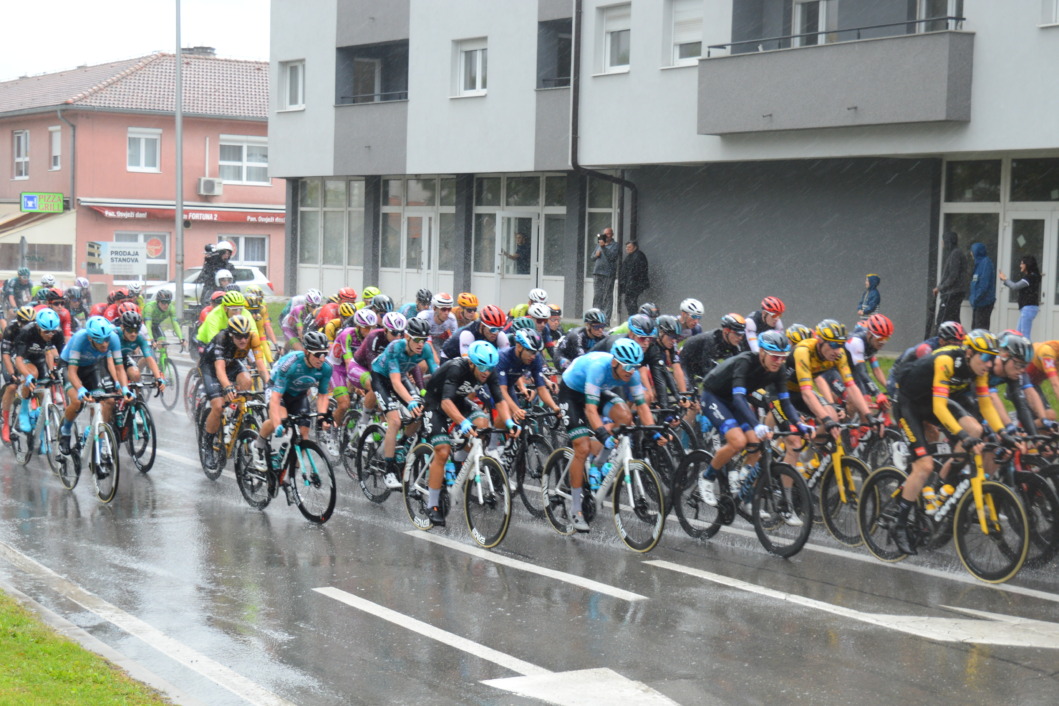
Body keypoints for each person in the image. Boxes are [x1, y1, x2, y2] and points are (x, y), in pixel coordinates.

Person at [889, 330, 1003, 554]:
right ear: (969, 352)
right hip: (909, 404)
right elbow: (940, 408)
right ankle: (899, 524)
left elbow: (986, 404)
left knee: (976, 429)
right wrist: (963, 437)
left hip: (932, 401)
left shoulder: (979, 368)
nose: (990, 364)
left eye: (994, 358)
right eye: (987, 357)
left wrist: (1004, 433)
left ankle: (942, 483)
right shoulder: (945, 360)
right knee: (924, 466)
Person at [557, 339, 661, 533]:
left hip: (596, 390)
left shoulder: (632, 374)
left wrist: (654, 432)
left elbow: (642, 406)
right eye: (627, 366)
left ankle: (598, 463)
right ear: (615, 362)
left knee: (625, 417)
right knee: (582, 447)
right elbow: (590, 410)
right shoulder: (598, 367)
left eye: (635, 366)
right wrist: (603, 433)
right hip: (571, 392)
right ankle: (575, 508)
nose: (630, 370)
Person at [253, 331, 333, 482]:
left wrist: (322, 417)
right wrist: (277, 424)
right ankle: (259, 444)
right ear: (306, 352)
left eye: (324, 354)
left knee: (304, 433)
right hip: (278, 391)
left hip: (299, 393)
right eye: (317, 354)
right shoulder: (291, 365)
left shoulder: (326, 368)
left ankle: (292, 477)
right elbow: (276, 399)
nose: (321, 358)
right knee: (282, 421)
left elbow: (323, 394)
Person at [371, 316, 438, 489]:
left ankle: (403, 443)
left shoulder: (426, 349)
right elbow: (394, 383)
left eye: (423, 340)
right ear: (407, 337)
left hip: (400, 377)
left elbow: (437, 375)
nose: (420, 344)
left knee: (420, 412)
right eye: (417, 340)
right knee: (395, 421)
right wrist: (410, 401)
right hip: (381, 377)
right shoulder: (395, 347)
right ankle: (388, 470)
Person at [58, 316, 130, 454]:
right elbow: (72, 372)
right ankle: (65, 431)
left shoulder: (113, 338)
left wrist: (125, 388)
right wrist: (80, 389)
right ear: (90, 338)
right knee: (77, 401)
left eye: (106, 340)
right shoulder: (80, 338)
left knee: (106, 401)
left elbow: (120, 368)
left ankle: (99, 441)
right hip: (69, 366)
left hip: (92, 366)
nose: (104, 344)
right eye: (99, 340)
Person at [1000, 254, 1042, 338]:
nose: (1020, 265)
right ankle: (1019, 350)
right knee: (1018, 334)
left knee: (1024, 335)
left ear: (1027, 265)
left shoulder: (1030, 278)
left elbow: (1015, 286)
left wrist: (1005, 279)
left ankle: (1027, 351)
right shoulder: (1033, 276)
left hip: (1028, 308)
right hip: (1027, 308)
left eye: (1022, 263)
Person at [933, 231, 968, 329]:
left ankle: (941, 341)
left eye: (943, 240)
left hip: (952, 294)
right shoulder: (955, 253)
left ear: (948, 241)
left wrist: (940, 288)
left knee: (943, 321)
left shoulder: (955, 254)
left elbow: (953, 276)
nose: (942, 243)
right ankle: (957, 339)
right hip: (954, 293)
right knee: (953, 321)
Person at [591, 227, 619, 319]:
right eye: (605, 234)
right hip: (597, 272)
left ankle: (606, 319)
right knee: (597, 296)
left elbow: (612, 257)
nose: (606, 236)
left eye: (608, 234)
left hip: (608, 274)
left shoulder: (615, 245)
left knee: (607, 296)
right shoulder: (599, 244)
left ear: (612, 235)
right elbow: (592, 258)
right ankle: (595, 317)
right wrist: (596, 255)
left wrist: (603, 247)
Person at [619, 240, 650, 318]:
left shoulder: (638, 256)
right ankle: (633, 317)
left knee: (631, 301)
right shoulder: (630, 256)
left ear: (635, 247)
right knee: (629, 301)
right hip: (631, 284)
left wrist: (631, 284)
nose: (627, 249)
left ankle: (634, 317)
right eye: (626, 247)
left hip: (635, 284)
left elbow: (636, 272)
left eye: (629, 247)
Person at [969, 243, 996, 329]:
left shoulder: (985, 263)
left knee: (980, 330)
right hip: (979, 303)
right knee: (975, 329)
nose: (971, 253)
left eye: (972, 251)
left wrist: (975, 298)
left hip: (983, 303)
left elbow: (983, 285)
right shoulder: (979, 264)